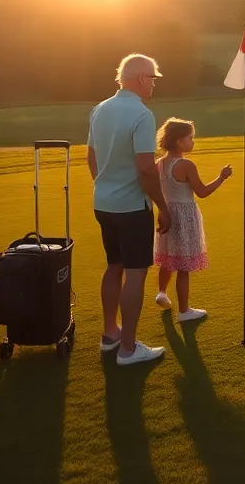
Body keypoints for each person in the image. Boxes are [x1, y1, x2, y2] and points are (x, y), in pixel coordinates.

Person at [87, 53, 171, 366]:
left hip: (104, 203)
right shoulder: (142, 114)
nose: (153, 84)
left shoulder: (100, 108)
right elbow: (147, 169)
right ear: (139, 78)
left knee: (114, 265)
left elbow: (92, 157)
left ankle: (110, 334)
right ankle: (127, 348)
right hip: (132, 208)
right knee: (135, 274)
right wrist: (163, 206)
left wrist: (105, 186)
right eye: (152, 78)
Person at [152, 117, 233, 322]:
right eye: (190, 137)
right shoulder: (186, 165)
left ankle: (161, 292)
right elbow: (203, 191)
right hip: (185, 215)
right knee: (183, 266)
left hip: (166, 212)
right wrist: (221, 177)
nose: (193, 141)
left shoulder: (159, 164)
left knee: (168, 257)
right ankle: (184, 311)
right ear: (179, 141)